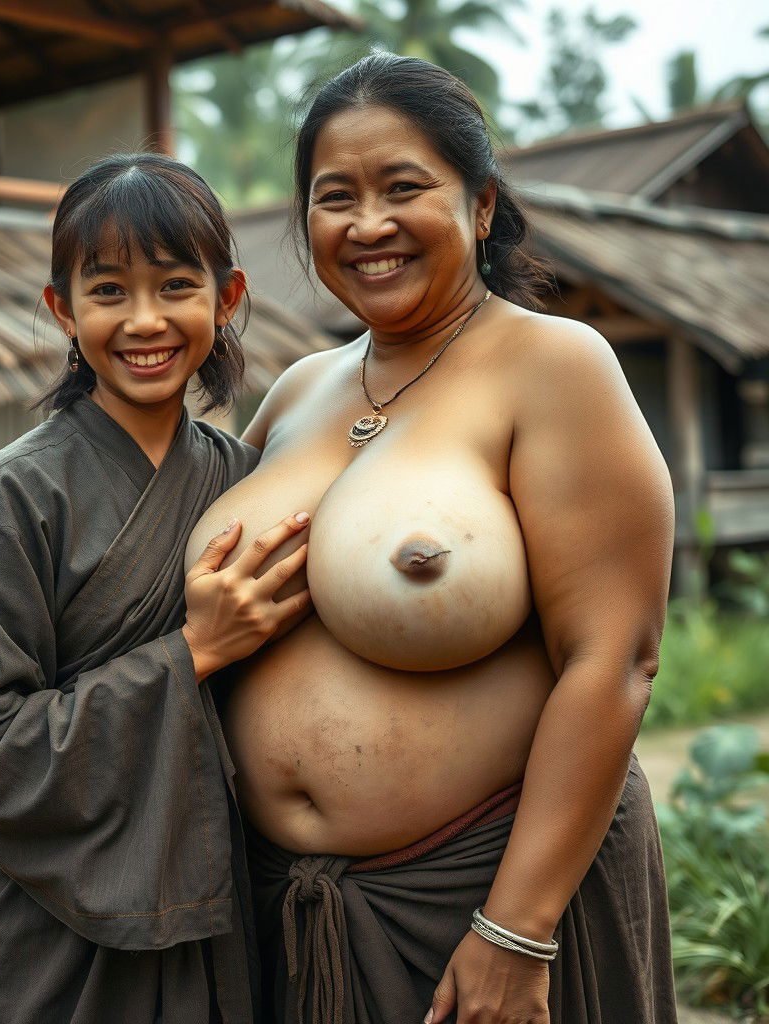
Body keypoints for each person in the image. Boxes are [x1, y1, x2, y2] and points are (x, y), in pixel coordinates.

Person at [185, 54, 677, 1024]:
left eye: (402, 187)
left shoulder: (551, 364)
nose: (366, 224)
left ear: (481, 205)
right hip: (281, 904)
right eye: (335, 196)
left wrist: (515, 929)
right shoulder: (295, 390)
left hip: (475, 894)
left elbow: (612, 659)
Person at [0, 153, 313, 1024]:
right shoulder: (13, 496)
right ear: (63, 307)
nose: (145, 321)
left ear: (228, 296)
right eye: (108, 292)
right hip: (53, 929)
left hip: (214, 911)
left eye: (176, 285)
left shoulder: (245, 481)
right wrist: (193, 652)